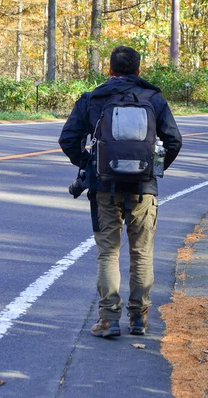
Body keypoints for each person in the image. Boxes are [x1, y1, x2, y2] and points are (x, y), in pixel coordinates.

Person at [58, 46, 182, 338]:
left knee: (108, 254)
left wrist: (89, 163)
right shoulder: (154, 98)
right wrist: (153, 168)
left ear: (109, 70)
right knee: (141, 255)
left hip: (104, 187)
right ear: (139, 71)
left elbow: (68, 139)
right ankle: (139, 319)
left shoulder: (93, 99)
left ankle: (108, 320)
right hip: (144, 189)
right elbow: (174, 141)